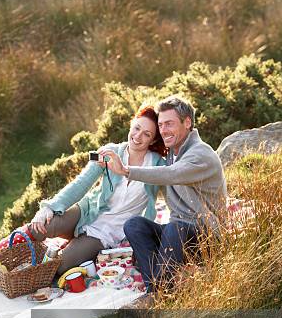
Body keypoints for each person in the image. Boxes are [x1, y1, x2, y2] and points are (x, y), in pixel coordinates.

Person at [100, 95, 227, 293]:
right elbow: (151, 162)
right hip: (178, 235)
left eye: (169, 124)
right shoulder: (171, 154)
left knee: (174, 229)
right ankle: (159, 287)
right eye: (161, 125)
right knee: (134, 225)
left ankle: (156, 293)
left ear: (187, 123)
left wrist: (126, 170)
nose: (164, 130)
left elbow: (172, 174)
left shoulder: (201, 154)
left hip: (207, 239)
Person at [27, 106, 167, 275]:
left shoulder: (158, 164)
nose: (138, 136)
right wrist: (49, 207)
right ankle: (23, 263)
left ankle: (75, 247)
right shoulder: (111, 151)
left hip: (108, 232)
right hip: (87, 211)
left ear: (152, 140)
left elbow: (176, 188)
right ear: (131, 125)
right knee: (38, 228)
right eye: (137, 128)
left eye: (147, 134)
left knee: (60, 267)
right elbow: (81, 183)